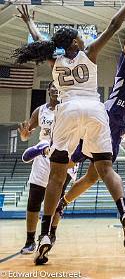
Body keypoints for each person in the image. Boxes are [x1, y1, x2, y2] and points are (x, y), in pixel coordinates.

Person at [13, 0, 125, 265]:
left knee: (56, 176)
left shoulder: (56, 60)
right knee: (105, 169)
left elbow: (41, 41)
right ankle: (123, 211)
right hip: (95, 110)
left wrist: (30, 24)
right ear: (76, 42)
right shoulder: (89, 53)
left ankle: (46, 236)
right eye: (78, 35)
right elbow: (114, 25)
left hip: (68, 110)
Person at [49, 7, 125, 234]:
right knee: (69, 162)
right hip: (103, 119)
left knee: (93, 176)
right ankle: (53, 193)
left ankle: (62, 204)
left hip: (118, 127)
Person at [18, 81, 79, 255]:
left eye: (59, 87)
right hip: (43, 156)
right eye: (52, 86)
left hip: (64, 156)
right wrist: (24, 136)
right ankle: (30, 240)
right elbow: (26, 133)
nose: (55, 89)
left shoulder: (70, 110)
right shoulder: (40, 110)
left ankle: (51, 233)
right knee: (34, 198)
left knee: (58, 200)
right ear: (48, 90)